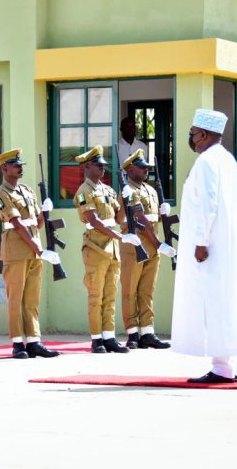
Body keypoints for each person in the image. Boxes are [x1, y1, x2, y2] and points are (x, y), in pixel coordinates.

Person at [172, 109, 237, 383]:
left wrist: (201, 242)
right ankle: (225, 364)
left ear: (204, 134)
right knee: (223, 302)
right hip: (225, 247)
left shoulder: (207, 161)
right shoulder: (227, 160)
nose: (191, 139)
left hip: (211, 246)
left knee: (212, 303)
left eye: (193, 134)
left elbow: (208, 203)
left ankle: (221, 368)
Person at [0, 148, 61, 359]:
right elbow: (17, 224)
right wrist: (39, 249)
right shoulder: (2, 194)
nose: (20, 167)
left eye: (21, 164)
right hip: (16, 250)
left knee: (31, 298)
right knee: (16, 298)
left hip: (33, 249)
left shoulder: (28, 191)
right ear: (5, 168)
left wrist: (45, 212)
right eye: (15, 165)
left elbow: (35, 224)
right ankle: (17, 343)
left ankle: (33, 340)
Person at [73, 145, 141, 353]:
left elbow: (118, 217)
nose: (102, 169)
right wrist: (120, 236)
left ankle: (109, 336)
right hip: (96, 246)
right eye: (98, 165)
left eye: (103, 165)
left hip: (112, 248)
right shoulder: (84, 192)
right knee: (96, 294)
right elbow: (93, 221)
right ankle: (96, 339)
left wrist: (124, 200)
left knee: (110, 293)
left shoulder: (108, 190)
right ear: (87, 166)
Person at [118, 149, 176, 349]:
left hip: (151, 245)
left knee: (146, 290)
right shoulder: (128, 191)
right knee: (130, 291)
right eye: (142, 168)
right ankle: (133, 333)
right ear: (130, 169)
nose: (146, 171)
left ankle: (147, 332)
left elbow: (153, 219)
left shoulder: (150, 190)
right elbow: (140, 219)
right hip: (135, 246)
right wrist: (160, 244)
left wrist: (163, 213)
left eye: (146, 168)